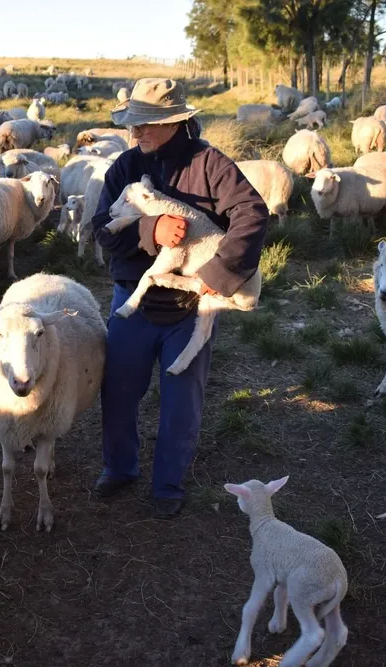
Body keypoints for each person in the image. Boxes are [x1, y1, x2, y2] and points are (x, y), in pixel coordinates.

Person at [90, 78, 269, 518]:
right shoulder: (124, 168)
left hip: (191, 307)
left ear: (175, 122)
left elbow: (252, 213)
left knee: (181, 399)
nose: (137, 133)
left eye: (147, 124)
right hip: (132, 299)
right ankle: (120, 467)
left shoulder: (210, 164)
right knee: (118, 390)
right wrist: (151, 231)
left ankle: (167, 484)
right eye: (133, 124)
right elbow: (100, 229)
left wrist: (219, 273)